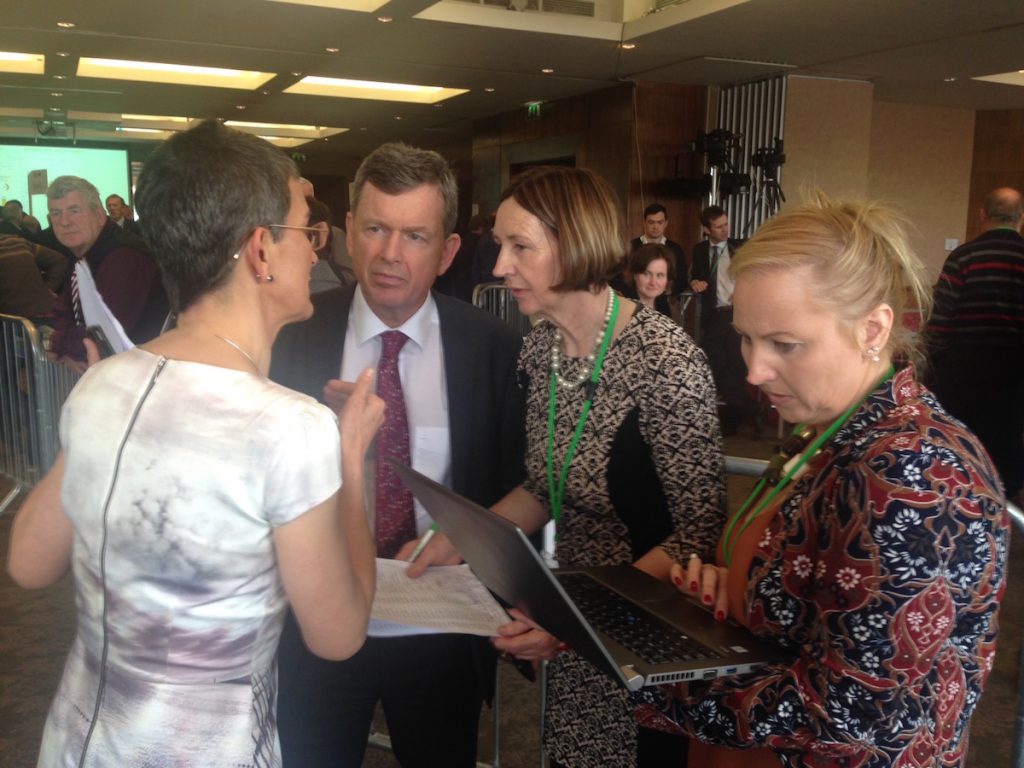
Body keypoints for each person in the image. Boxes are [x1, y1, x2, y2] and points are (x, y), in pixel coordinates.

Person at [6, 119, 383, 767]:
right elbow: (340, 633)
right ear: (261, 250)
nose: (317, 251)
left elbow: (28, 564)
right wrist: (353, 462)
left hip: (78, 744)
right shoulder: (289, 427)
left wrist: (99, 407)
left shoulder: (102, 387)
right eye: (306, 229)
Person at [633, 193, 1009, 768]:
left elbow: (852, 709)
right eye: (746, 337)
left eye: (785, 344)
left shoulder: (914, 468)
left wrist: (646, 682)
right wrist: (736, 592)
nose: (755, 370)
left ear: (874, 329)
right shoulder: (829, 427)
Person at [413, 165, 726, 767]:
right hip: (572, 625)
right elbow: (544, 486)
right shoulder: (542, 347)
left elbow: (698, 536)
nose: (499, 266)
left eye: (520, 246)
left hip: (648, 642)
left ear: (577, 243)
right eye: (501, 245)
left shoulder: (666, 360)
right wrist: (456, 539)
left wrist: (577, 619)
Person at [271, 142, 526, 768]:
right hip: (315, 617)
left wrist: (472, 539)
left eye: (415, 235)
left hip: (441, 623)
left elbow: (520, 482)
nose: (390, 254)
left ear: (446, 252)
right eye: (377, 229)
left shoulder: (492, 346)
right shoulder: (289, 337)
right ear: (349, 232)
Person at [926, 186, 1024, 503]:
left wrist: (933, 365)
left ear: (982, 214)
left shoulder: (962, 257)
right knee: (1009, 438)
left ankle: (963, 495)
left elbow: (941, 318)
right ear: (1021, 217)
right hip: (1015, 370)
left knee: (965, 437)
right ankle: (1005, 502)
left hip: (964, 368)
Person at [42, 176, 168, 361]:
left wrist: (54, 342)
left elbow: (102, 340)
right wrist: (65, 345)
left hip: (144, 378)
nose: (64, 222)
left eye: (74, 210)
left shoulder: (125, 257)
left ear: (100, 215)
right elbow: (62, 312)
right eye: (56, 213)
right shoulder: (82, 255)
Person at [689, 204, 757, 435]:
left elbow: (755, 273)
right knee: (713, 367)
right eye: (718, 227)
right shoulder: (699, 250)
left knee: (735, 370)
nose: (724, 230)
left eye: (726, 224)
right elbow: (694, 276)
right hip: (714, 315)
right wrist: (694, 283)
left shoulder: (740, 246)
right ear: (706, 229)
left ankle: (739, 418)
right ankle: (746, 414)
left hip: (737, 314)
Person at [630, 203, 688, 295]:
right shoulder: (631, 247)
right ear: (644, 222)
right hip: (635, 299)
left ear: (666, 223)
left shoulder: (675, 249)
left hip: (665, 301)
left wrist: (667, 289)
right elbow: (623, 277)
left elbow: (682, 279)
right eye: (651, 222)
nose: (655, 227)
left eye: (660, 222)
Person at [622, 242, 673, 316]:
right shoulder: (625, 308)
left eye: (659, 275)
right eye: (646, 274)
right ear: (634, 275)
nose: (653, 282)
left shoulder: (663, 305)